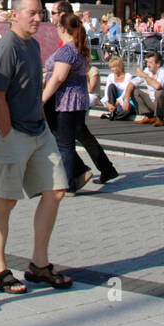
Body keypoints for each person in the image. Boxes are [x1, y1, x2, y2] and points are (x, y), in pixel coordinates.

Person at [0, 0, 71, 294]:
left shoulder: (33, 46)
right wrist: (7, 133)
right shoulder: (7, 47)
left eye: (41, 13)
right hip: (13, 133)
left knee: (56, 190)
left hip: (38, 130)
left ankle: (39, 264)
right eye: (32, 13)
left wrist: (40, 121)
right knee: (6, 200)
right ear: (15, 14)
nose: (39, 18)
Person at [43, 12, 117, 193]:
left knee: (65, 143)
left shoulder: (68, 50)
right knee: (70, 138)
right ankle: (86, 171)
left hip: (66, 100)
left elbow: (59, 77)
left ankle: (69, 183)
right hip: (76, 99)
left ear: (62, 29)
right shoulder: (78, 48)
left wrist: (43, 97)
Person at [132, 51, 164, 125]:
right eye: (147, 62)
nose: (148, 65)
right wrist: (126, 100)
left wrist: (145, 76)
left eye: (150, 63)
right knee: (135, 91)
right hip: (154, 102)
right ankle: (149, 116)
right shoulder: (147, 70)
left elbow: (157, 86)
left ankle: (160, 118)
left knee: (159, 92)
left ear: (158, 64)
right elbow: (132, 83)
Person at [96, 56, 140, 121]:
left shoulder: (128, 76)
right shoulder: (110, 76)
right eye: (111, 67)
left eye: (113, 67)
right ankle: (113, 112)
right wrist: (108, 104)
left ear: (119, 67)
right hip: (113, 100)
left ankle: (112, 116)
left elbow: (126, 91)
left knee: (127, 111)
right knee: (111, 86)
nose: (112, 69)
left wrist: (117, 103)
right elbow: (107, 91)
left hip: (125, 99)